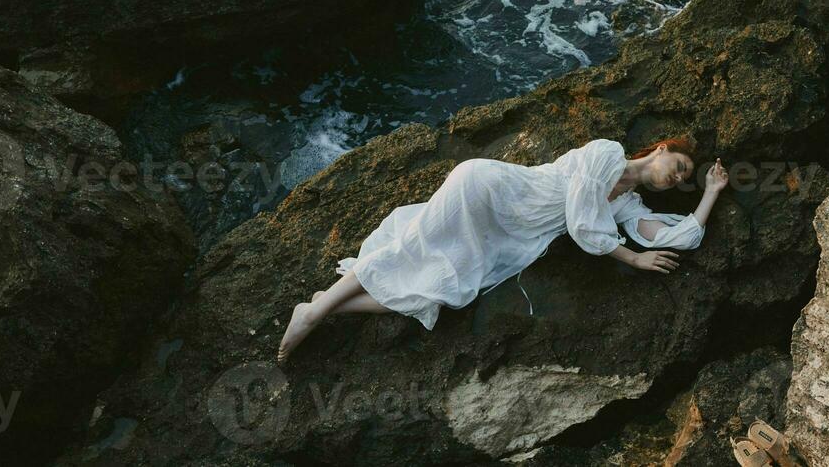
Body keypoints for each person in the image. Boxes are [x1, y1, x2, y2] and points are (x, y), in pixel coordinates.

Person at [278, 136, 728, 362]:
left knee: (442, 289)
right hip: (489, 188)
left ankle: (325, 306)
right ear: (663, 148)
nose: (677, 176)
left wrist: (709, 193)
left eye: (683, 179)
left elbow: (676, 238)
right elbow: (580, 221)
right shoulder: (606, 153)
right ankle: (315, 313)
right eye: (681, 165)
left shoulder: (627, 204)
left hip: (509, 236)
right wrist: (629, 256)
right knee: (409, 249)